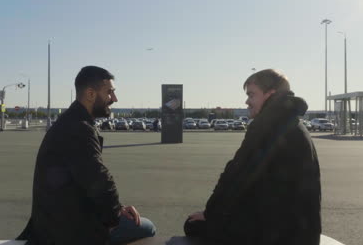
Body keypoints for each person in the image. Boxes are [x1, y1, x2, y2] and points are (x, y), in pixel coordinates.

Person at [17, 66, 156, 245]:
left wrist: (118, 208)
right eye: (110, 93)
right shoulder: (79, 128)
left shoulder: (72, 121)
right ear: (91, 94)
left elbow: (90, 179)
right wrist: (113, 217)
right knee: (147, 227)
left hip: (56, 220)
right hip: (66, 230)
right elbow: (98, 179)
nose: (114, 99)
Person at [184, 69, 321, 245]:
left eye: (251, 95)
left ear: (269, 94)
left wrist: (210, 214)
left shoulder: (267, 124)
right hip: (302, 232)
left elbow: (235, 175)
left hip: (278, 235)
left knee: (192, 224)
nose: (247, 101)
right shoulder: (291, 122)